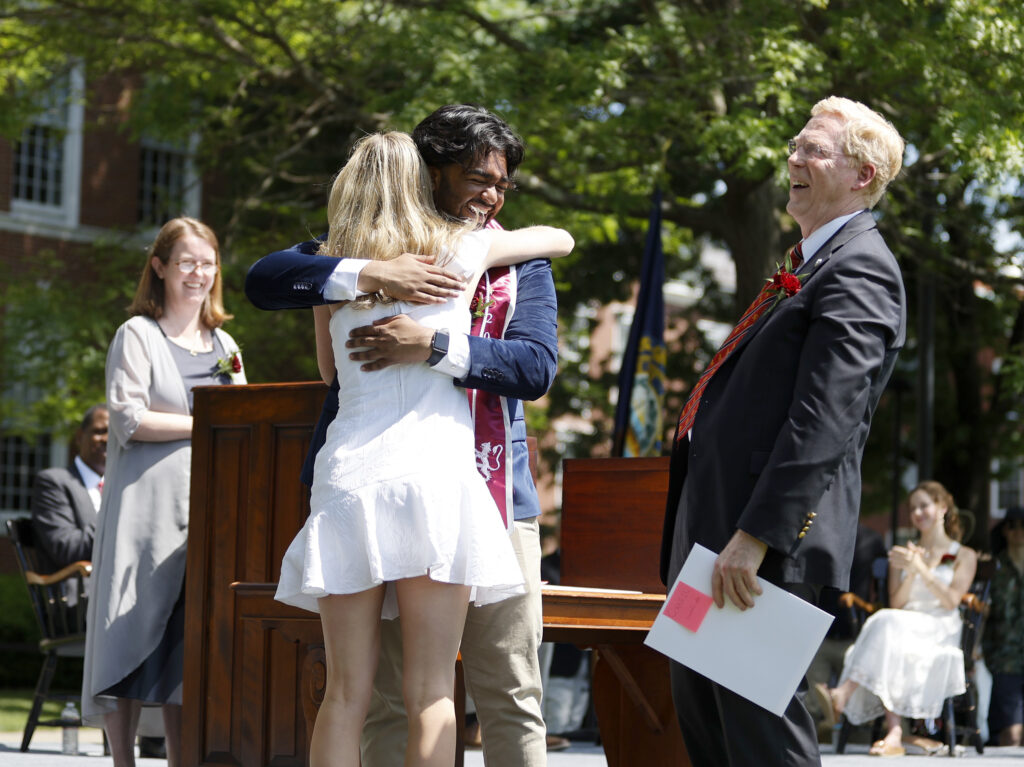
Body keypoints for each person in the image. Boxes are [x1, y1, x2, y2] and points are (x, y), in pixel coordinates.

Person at [246, 104, 559, 766]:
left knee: (376, 691)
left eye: (503, 184)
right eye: (479, 178)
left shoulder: (344, 258)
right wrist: (376, 273)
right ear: (429, 171)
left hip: (400, 483)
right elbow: (263, 278)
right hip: (437, 482)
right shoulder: (449, 252)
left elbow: (535, 367)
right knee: (420, 693)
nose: (493, 195)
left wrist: (434, 343)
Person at [659, 96, 907, 767]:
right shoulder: (808, 262)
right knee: (706, 730)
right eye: (794, 145)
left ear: (863, 173)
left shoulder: (861, 267)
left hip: (759, 548)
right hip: (710, 537)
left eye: (814, 149)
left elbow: (826, 419)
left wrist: (759, 535)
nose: (793, 158)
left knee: (762, 740)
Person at [81, 217, 245, 767]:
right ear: (160, 268)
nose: (198, 274)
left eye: (207, 262)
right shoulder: (137, 335)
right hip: (145, 513)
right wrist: (208, 423)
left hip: (208, 515)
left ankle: (183, 760)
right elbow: (127, 419)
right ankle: (122, 761)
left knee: (185, 646)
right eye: (185, 263)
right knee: (125, 632)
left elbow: (245, 417)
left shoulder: (226, 343)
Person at [814, 481, 978, 756]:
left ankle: (843, 695)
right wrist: (910, 570)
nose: (917, 513)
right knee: (890, 627)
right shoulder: (903, 553)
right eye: (913, 508)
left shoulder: (962, 554)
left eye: (924, 505)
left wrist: (921, 569)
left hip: (940, 627)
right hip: (904, 624)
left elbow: (951, 601)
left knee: (887, 623)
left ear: (942, 508)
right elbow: (898, 602)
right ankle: (895, 734)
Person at [804, 523, 886, 727]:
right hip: (820, 633)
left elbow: (881, 586)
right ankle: (822, 728)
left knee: (857, 709)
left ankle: (842, 726)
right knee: (811, 701)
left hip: (855, 636)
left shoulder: (872, 540)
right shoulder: (821, 533)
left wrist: (868, 606)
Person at [31, 404, 108, 575]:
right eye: (100, 431)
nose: (108, 438)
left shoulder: (122, 487)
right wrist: (113, 513)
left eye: (116, 434)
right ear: (80, 437)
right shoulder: (54, 482)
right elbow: (66, 549)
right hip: (81, 589)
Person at [983, 506, 1024, 746]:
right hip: (1005, 659)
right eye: (1012, 525)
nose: (1018, 531)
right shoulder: (993, 569)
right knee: (1012, 734)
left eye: (1023, 525)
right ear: (1005, 531)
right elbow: (982, 611)